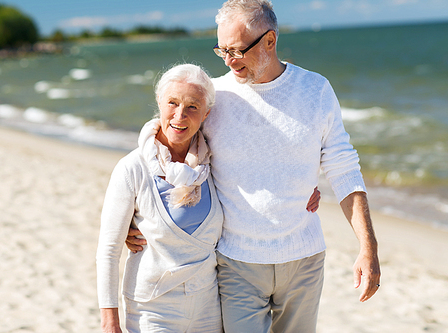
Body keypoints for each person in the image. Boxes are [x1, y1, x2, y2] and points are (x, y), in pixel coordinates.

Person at [126, 0, 381, 332]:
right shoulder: (214, 96)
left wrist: (368, 248)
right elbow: (164, 143)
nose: (230, 61)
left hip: (304, 259)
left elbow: (344, 169)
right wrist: (138, 210)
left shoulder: (315, 91)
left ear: (270, 41)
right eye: (222, 50)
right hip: (236, 261)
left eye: (237, 50)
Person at [96, 64, 224, 333]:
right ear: (159, 103)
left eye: (192, 106)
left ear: (206, 113)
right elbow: (109, 250)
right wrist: (110, 323)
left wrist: (307, 187)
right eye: (173, 103)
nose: (180, 115)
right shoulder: (133, 168)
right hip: (152, 310)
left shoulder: (215, 165)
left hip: (208, 309)